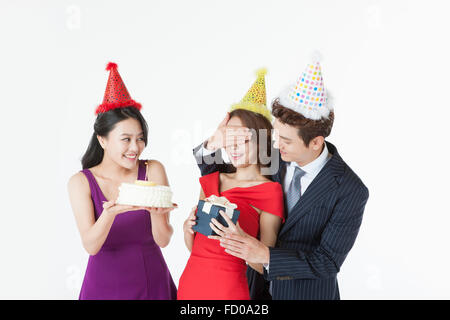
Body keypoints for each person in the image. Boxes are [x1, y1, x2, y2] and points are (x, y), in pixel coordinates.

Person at [194, 56, 369, 300]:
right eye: (277, 135)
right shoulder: (274, 155)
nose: (276, 143)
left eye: (286, 140)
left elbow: (327, 262)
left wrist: (265, 255)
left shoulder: (350, 189)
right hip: (252, 290)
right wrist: (213, 143)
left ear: (316, 142)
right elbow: (224, 175)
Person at [67, 62, 177, 300]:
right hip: (103, 286)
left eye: (140, 139)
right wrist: (110, 213)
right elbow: (90, 245)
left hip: (151, 282)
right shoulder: (81, 182)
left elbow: (164, 240)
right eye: (125, 139)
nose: (135, 148)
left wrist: (158, 213)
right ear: (102, 140)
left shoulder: (152, 170)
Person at [177, 69, 285, 300]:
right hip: (190, 284)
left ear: (263, 140)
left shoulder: (270, 191)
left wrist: (241, 240)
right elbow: (197, 248)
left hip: (230, 290)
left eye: (243, 140)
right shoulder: (212, 180)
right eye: (230, 139)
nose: (233, 147)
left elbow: (266, 266)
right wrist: (187, 230)